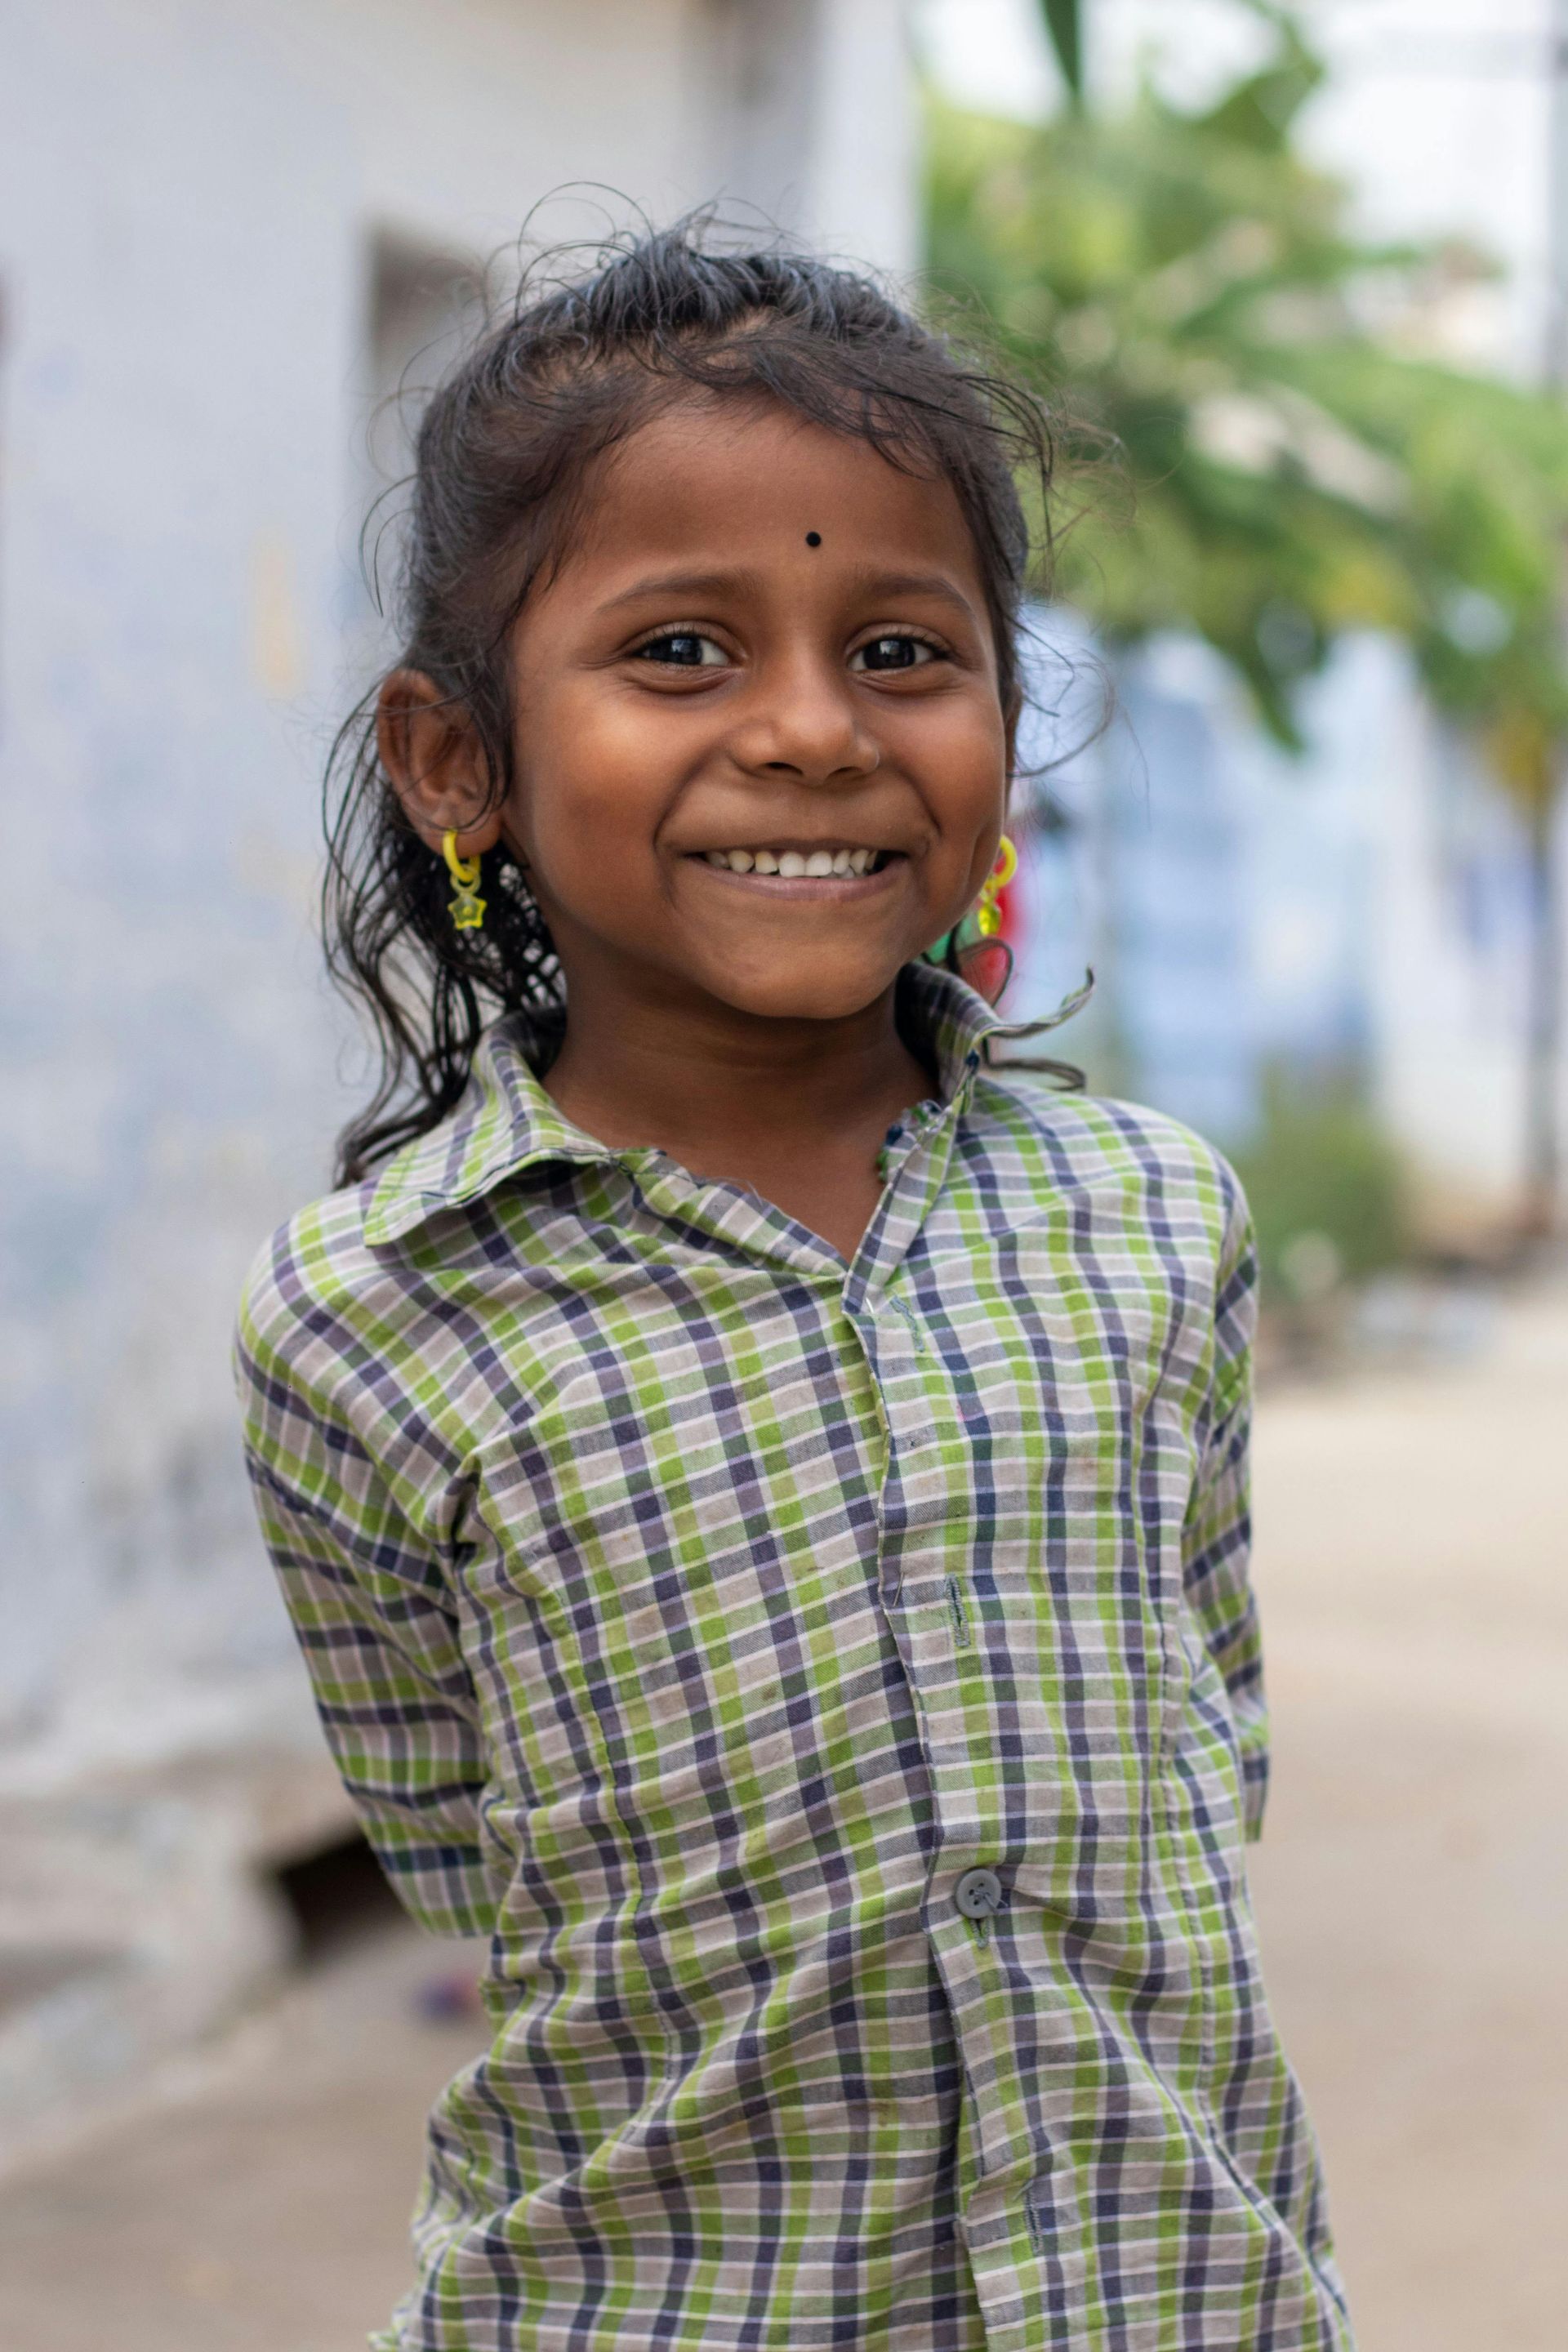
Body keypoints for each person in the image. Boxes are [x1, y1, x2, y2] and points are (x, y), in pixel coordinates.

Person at [236, 224, 1353, 2352]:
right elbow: (469, 1860)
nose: (811, 732)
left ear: (1007, 725)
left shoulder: (1149, 1224)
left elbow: (1208, 1757)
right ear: (455, 760)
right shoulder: (375, 1319)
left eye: (905, 652)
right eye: (679, 651)